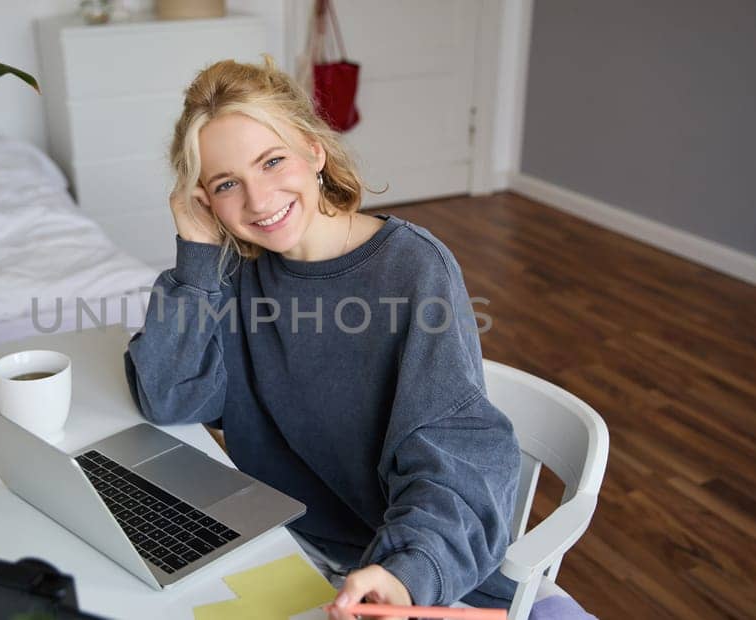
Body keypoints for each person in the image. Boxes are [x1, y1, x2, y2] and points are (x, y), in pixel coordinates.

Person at [123, 56, 522, 616]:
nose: (259, 202)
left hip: (387, 568)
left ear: (315, 149)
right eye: (226, 183)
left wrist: (406, 571)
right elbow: (170, 398)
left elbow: (456, 449)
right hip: (273, 544)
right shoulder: (231, 267)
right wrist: (196, 254)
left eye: (272, 161)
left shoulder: (410, 268)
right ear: (203, 199)